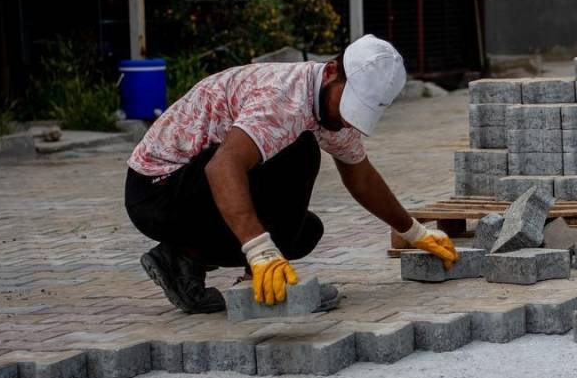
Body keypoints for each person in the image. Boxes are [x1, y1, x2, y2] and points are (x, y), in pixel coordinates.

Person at [124, 34, 458, 313]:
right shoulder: (284, 98)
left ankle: (181, 259)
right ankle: (257, 281)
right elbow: (222, 167)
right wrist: (260, 252)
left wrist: (413, 231)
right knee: (300, 151)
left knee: (303, 232)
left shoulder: (329, 109)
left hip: (192, 194)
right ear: (331, 71)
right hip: (157, 191)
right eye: (348, 106)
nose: (347, 119)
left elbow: (361, 177)